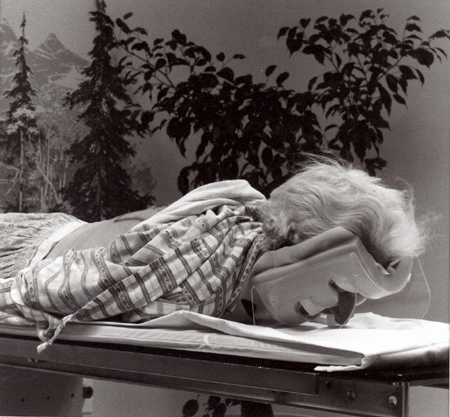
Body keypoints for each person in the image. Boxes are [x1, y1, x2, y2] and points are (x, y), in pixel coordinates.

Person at [0, 157, 426, 350]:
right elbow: (51, 289)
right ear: (299, 240)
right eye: (343, 287)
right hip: (27, 250)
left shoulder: (246, 241)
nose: (342, 314)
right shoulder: (206, 261)